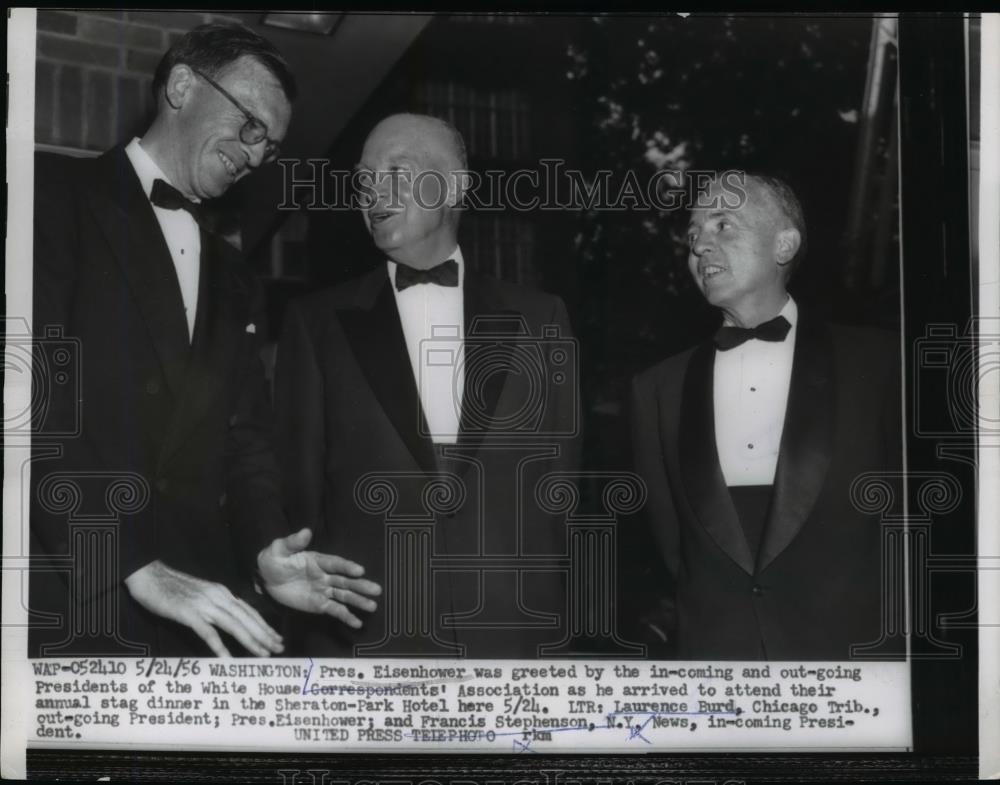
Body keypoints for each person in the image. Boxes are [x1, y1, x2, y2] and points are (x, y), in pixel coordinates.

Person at [30, 23, 380, 658]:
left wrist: (264, 550)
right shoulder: (46, 195)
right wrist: (128, 560)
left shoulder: (236, 275)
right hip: (62, 594)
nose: (254, 155)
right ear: (183, 85)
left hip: (201, 614)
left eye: (270, 147)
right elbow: (24, 400)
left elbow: (245, 440)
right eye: (250, 126)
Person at [274, 113, 580, 658]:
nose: (372, 191)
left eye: (397, 169)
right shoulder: (315, 322)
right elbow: (299, 494)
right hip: (368, 630)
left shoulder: (542, 317)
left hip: (510, 630)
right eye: (364, 178)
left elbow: (558, 493)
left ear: (455, 187)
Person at [629, 173, 901, 660]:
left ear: (784, 244)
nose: (700, 247)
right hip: (717, 664)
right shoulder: (656, 389)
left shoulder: (879, 365)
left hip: (854, 664)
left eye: (723, 225)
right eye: (692, 236)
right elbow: (675, 550)